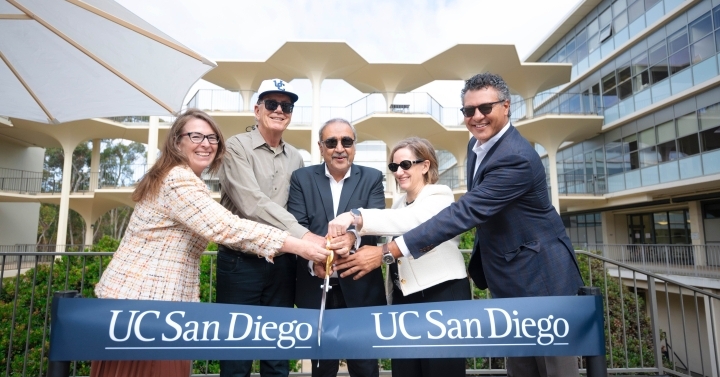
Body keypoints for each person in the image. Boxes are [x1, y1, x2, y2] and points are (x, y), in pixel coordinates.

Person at [338, 73, 584, 377]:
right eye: (469, 111)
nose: (476, 117)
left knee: (555, 369)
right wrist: (351, 234)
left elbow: (463, 214)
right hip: (507, 277)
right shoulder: (476, 146)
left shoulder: (515, 157)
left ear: (506, 106)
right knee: (522, 368)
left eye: (485, 108)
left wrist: (384, 250)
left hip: (542, 279)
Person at [90, 109, 331, 377]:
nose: (206, 144)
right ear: (176, 142)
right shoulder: (178, 178)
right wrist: (303, 245)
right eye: (195, 136)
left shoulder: (181, 177)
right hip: (143, 307)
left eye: (212, 138)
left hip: (153, 307)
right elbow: (226, 226)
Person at [216, 79, 355, 377]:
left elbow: (298, 207)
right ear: (257, 109)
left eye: (286, 105)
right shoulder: (235, 147)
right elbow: (251, 203)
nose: (279, 110)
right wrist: (305, 237)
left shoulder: (297, 156)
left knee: (277, 353)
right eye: (271, 104)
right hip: (241, 263)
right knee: (236, 354)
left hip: (282, 262)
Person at [329, 137, 470, 377]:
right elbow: (395, 241)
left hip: (441, 296)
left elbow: (412, 222)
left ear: (425, 166)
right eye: (394, 167)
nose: (399, 172)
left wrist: (355, 215)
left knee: (441, 371)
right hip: (406, 300)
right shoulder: (399, 203)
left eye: (406, 165)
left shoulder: (440, 195)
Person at [287, 118, 386, 377]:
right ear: (321, 147)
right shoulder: (301, 178)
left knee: (365, 368)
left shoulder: (373, 178)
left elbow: (375, 220)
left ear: (354, 146)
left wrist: (352, 238)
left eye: (347, 141)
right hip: (316, 286)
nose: (339, 148)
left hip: (361, 285)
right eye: (331, 142)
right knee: (321, 368)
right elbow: (296, 225)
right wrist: (314, 261)